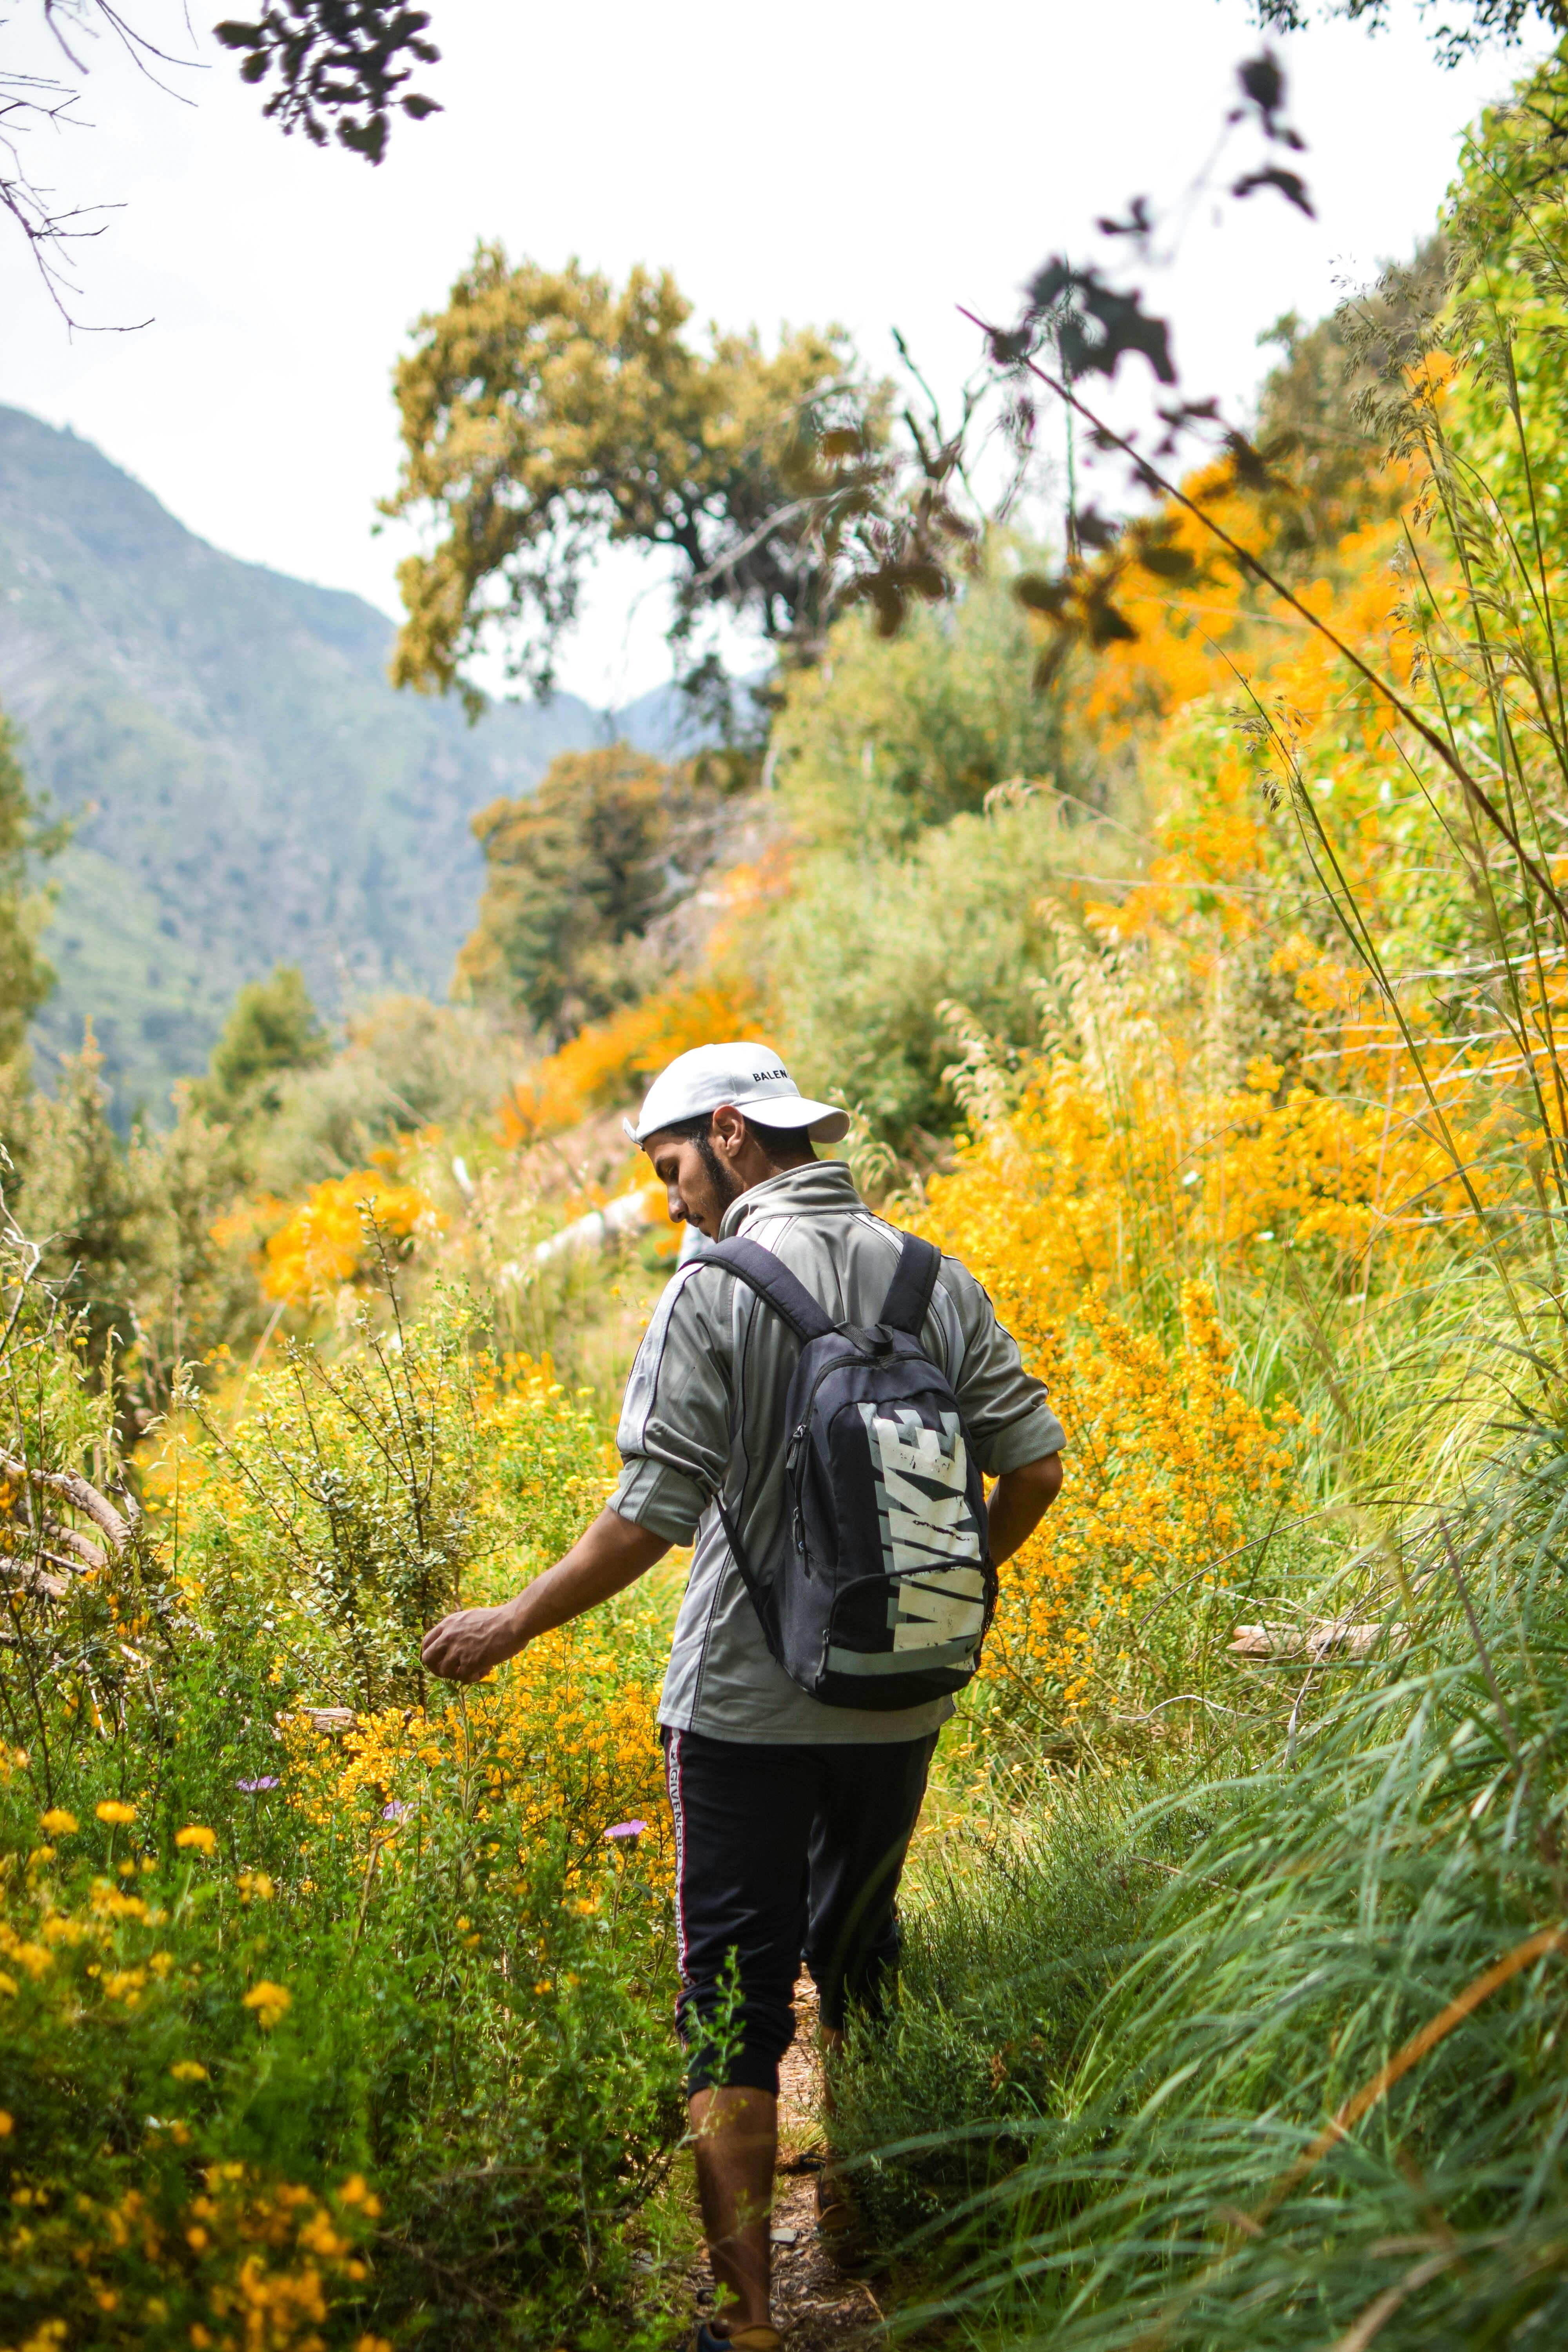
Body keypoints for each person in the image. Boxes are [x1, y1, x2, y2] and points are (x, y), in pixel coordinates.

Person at [422, 1044, 1065, 2352]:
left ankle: (751, 2326)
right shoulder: (937, 1276)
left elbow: (649, 1518)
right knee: (862, 1960)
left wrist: (514, 1624)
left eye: (672, 1170)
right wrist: (935, 1583)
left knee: (731, 2000)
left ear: (730, 1134)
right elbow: (1038, 1467)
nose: (670, 1202)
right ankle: (873, 2234)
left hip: (740, 1713)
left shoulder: (710, 1291)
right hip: (904, 1699)